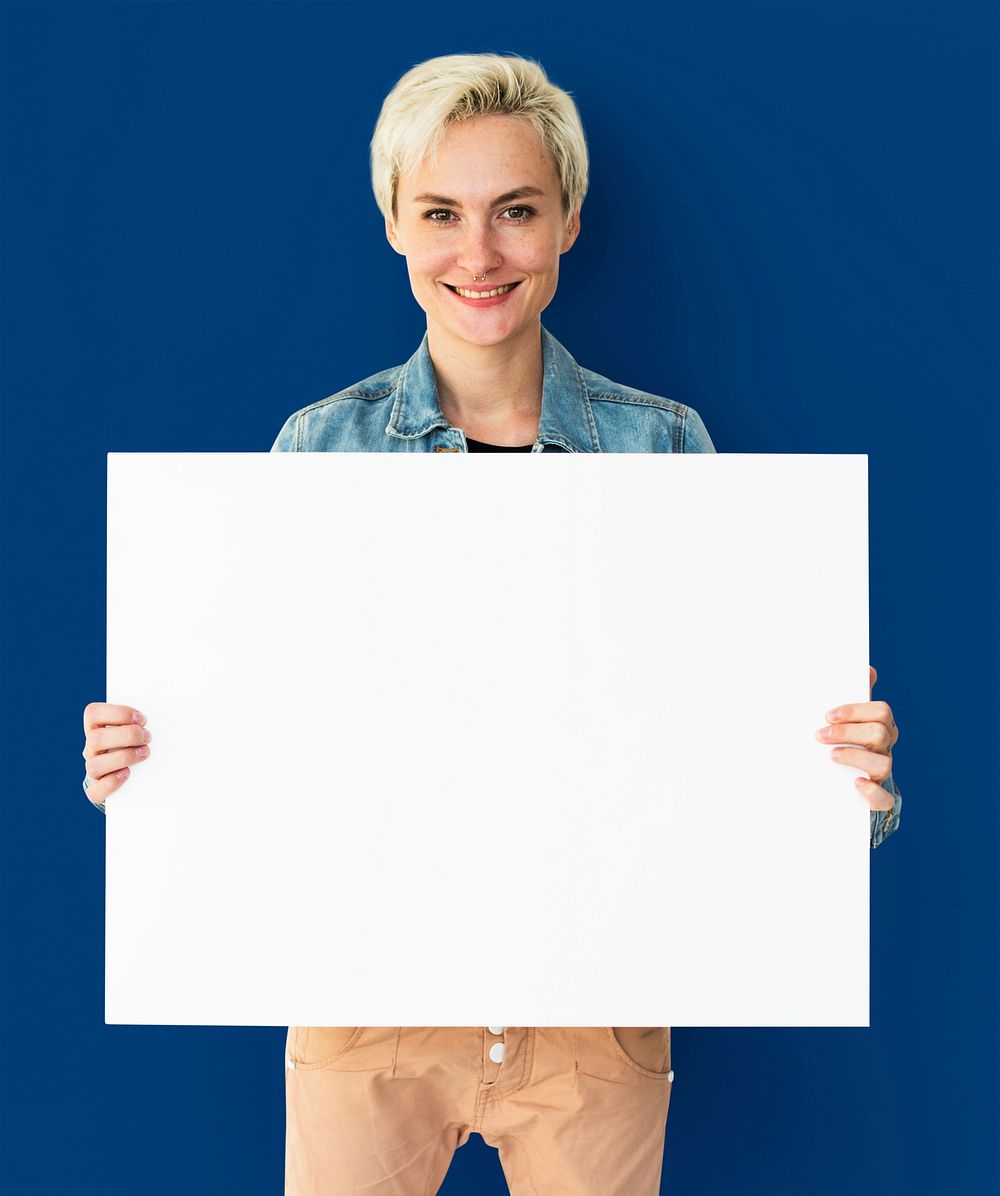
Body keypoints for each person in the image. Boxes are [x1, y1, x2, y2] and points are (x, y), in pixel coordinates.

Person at [81, 52, 904, 1196]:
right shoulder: (317, 450)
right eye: (440, 213)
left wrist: (843, 789)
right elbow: (266, 740)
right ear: (393, 226)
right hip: (367, 1011)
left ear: (566, 222)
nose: (479, 254)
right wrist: (153, 770)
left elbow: (724, 761)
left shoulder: (662, 448)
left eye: (515, 211)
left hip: (596, 1016)